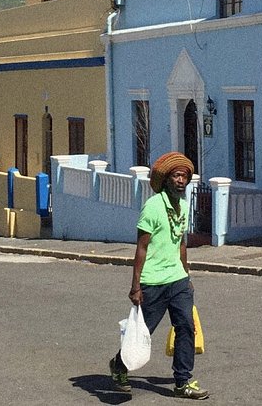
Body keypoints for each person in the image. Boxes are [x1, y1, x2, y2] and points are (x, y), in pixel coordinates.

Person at [109, 151, 209, 400]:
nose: (181, 181)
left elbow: (181, 244)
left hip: (178, 280)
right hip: (153, 281)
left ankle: (183, 381)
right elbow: (141, 248)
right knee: (144, 332)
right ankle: (119, 366)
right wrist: (135, 286)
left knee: (186, 326)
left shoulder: (183, 206)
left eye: (184, 176)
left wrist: (187, 276)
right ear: (166, 180)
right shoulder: (152, 207)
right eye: (176, 176)